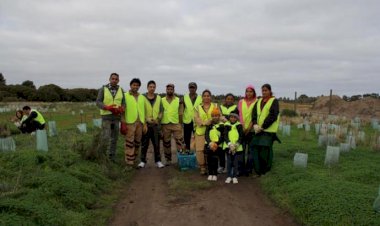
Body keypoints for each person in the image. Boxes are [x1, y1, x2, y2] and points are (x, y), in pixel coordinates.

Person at [251, 84, 280, 176]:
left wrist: (263, 126)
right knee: (255, 148)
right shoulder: (259, 101)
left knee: (265, 150)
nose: (264, 92)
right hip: (258, 130)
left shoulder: (274, 101)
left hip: (268, 131)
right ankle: (258, 170)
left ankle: (265, 170)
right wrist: (255, 124)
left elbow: (273, 115)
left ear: (270, 91)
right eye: (262, 90)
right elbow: (254, 113)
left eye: (266, 90)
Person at [96, 72, 126, 162]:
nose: (114, 80)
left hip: (116, 118)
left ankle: (112, 157)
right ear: (109, 79)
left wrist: (122, 108)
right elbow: (98, 102)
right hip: (106, 117)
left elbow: (124, 102)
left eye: (116, 79)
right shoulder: (103, 89)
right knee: (105, 137)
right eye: (112, 78)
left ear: (118, 80)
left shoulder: (121, 90)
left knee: (114, 138)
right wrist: (107, 107)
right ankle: (102, 157)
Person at [138, 80, 165, 168]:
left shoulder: (159, 98)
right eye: (150, 87)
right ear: (147, 87)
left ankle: (158, 161)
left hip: (155, 125)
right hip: (146, 125)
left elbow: (161, 111)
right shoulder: (142, 97)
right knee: (144, 144)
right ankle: (142, 161)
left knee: (156, 144)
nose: (152, 88)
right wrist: (145, 121)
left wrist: (158, 119)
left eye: (153, 87)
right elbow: (140, 110)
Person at [194, 89, 219, 175]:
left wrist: (214, 120)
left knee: (212, 149)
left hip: (212, 132)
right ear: (202, 97)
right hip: (200, 132)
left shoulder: (215, 105)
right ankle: (202, 167)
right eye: (204, 96)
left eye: (208, 96)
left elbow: (219, 116)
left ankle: (211, 167)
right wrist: (204, 123)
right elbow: (196, 119)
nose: (206, 97)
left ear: (210, 97)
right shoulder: (198, 107)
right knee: (200, 150)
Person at [123, 78, 146, 167]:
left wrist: (144, 123)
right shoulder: (125, 96)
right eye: (134, 85)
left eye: (137, 85)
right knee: (129, 142)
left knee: (137, 142)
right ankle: (129, 162)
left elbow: (143, 110)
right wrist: (123, 122)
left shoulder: (141, 97)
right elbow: (123, 110)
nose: (135, 87)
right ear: (130, 85)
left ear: (139, 86)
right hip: (130, 123)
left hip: (139, 123)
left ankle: (134, 159)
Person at [161, 83, 185, 165]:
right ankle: (168, 160)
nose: (170, 91)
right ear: (166, 90)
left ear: (173, 90)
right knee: (166, 142)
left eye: (171, 89)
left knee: (180, 142)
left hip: (176, 123)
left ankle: (181, 158)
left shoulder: (178, 100)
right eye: (168, 89)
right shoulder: (162, 100)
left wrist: (181, 124)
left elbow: (181, 113)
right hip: (165, 124)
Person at [237, 85, 257, 176]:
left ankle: (248, 169)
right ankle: (241, 169)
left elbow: (255, 116)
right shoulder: (241, 101)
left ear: (254, 92)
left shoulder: (257, 102)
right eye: (247, 91)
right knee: (241, 149)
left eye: (251, 91)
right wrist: (243, 127)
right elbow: (239, 114)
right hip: (242, 129)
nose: (249, 93)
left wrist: (249, 127)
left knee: (251, 150)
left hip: (252, 130)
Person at [218, 93, 238, 173]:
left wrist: (226, 119)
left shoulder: (235, 107)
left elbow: (235, 118)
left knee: (229, 148)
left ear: (233, 100)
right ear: (225, 99)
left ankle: (230, 166)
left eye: (231, 99)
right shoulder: (221, 107)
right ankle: (222, 166)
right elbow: (219, 116)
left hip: (230, 130)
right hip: (221, 130)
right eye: (228, 99)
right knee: (221, 149)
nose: (229, 100)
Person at [224, 111, 244, 184]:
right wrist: (229, 144)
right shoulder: (226, 125)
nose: (232, 118)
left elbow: (241, 136)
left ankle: (235, 176)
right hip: (228, 147)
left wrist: (236, 145)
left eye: (234, 117)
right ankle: (229, 176)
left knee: (235, 162)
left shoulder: (239, 125)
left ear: (237, 118)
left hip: (237, 147)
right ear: (229, 118)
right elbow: (225, 135)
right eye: (231, 117)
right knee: (229, 162)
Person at [204, 108, 224, 181]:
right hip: (209, 144)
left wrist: (216, 143)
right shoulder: (209, 125)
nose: (215, 117)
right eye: (213, 115)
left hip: (217, 145)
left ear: (219, 116)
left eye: (216, 115)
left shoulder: (222, 125)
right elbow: (206, 135)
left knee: (215, 159)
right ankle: (210, 173)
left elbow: (223, 136)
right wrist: (210, 142)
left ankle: (215, 174)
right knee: (209, 159)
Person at [182, 82, 202, 152]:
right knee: (186, 138)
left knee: (197, 137)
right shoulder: (185, 97)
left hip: (196, 121)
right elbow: (182, 108)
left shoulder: (200, 97)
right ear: (188, 88)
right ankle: (187, 151)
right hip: (187, 120)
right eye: (190, 87)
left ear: (196, 88)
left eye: (193, 87)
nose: (192, 89)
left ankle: (197, 152)